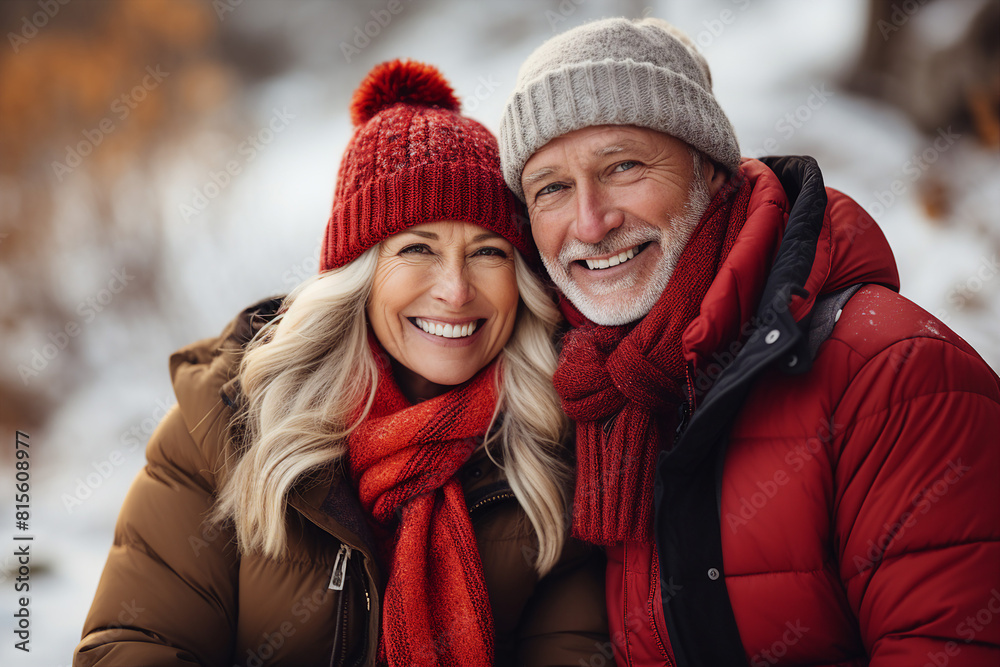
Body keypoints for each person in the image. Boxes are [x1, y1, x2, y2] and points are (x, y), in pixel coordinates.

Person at [498, 17, 1000, 667]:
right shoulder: (588, 399)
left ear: (710, 171)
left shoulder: (896, 374)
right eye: (552, 189)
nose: (591, 222)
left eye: (622, 166)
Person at [74, 59, 610, 667]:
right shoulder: (227, 426)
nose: (457, 291)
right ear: (358, 276)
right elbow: (134, 647)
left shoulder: (549, 449)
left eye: (488, 252)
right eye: (417, 248)